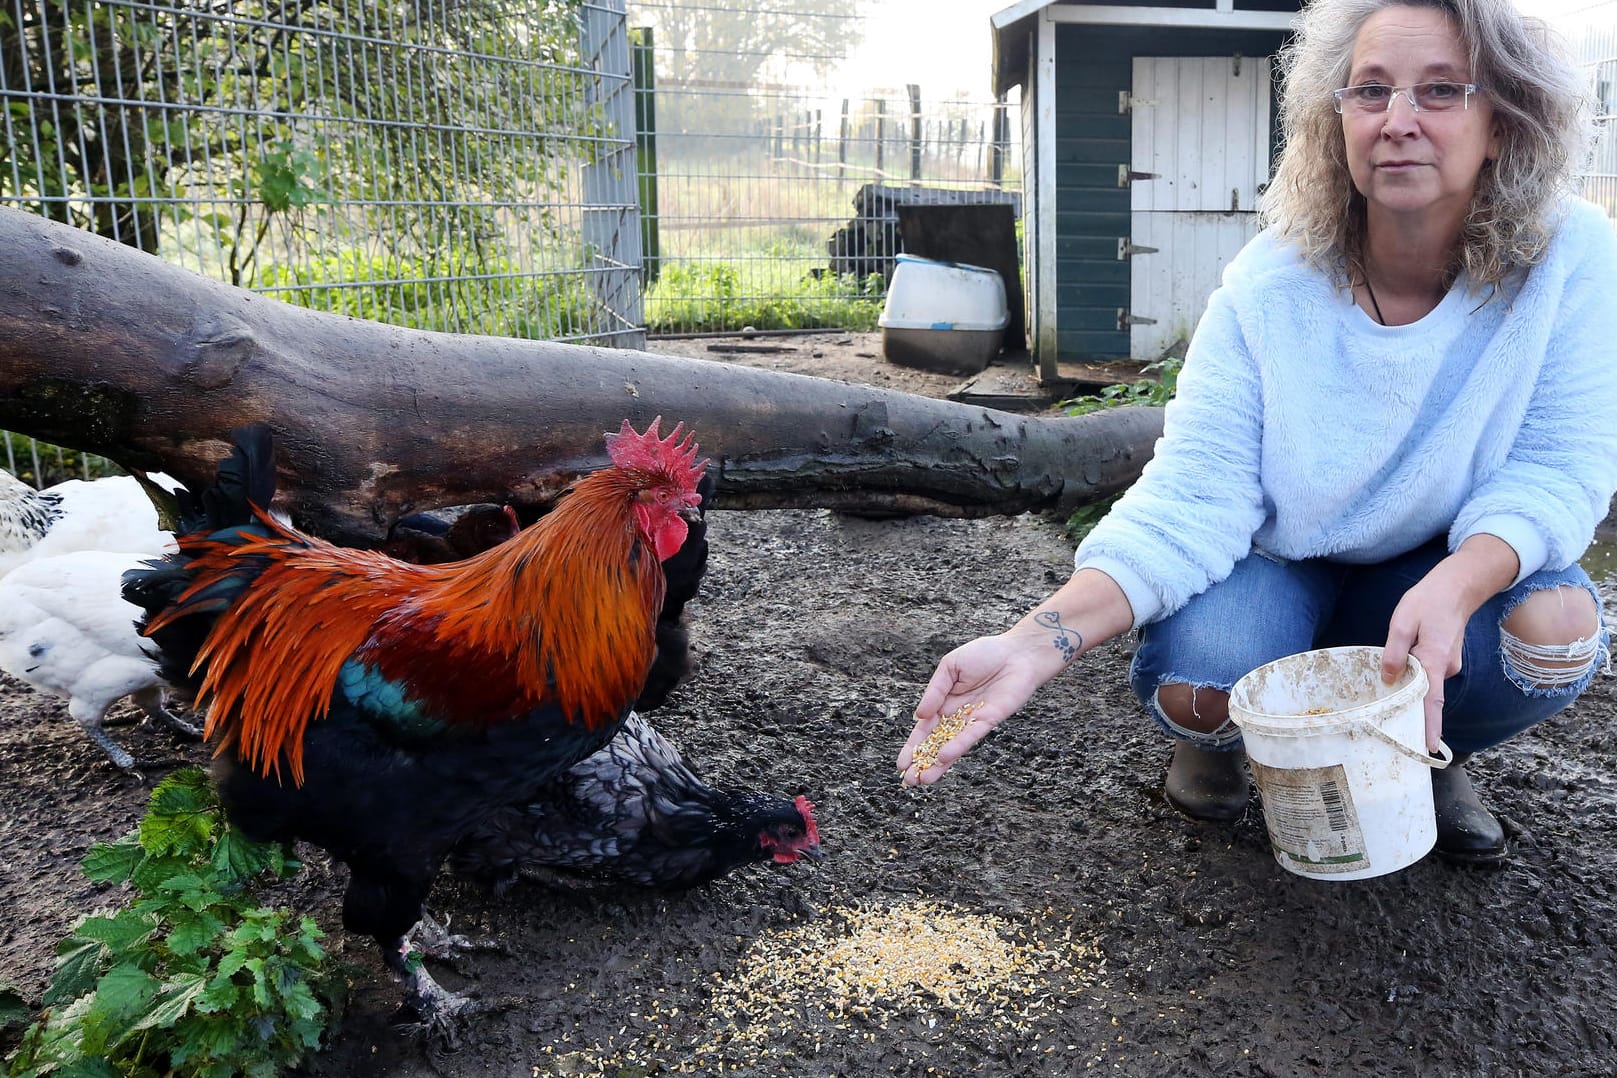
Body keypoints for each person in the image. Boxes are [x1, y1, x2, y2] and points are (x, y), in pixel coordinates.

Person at [898, 0, 1617, 866]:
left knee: (1554, 628)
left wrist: (1463, 581)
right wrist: (1030, 641)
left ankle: (1431, 752)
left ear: (1500, 123)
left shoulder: (1569, 258)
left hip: (1436, 562)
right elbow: (1194, 493)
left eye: (1438, 92)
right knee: (1201, 684)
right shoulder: (1270, 282)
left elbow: (1560, 462)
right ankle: (1225, 739)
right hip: (1276, 558)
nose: (1396, 122)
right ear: (1333, 114)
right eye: (1369, 91)